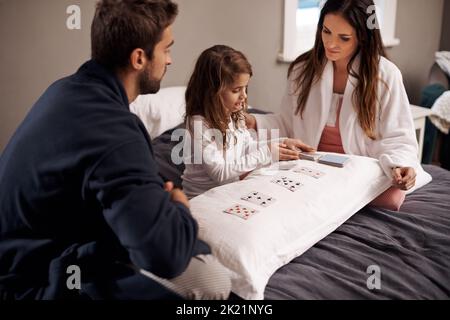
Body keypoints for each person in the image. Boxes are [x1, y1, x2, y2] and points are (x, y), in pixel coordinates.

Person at [0, 0, 231, 300]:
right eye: (167, 49)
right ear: (139, 58)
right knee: (212, 280)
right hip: (32, 283)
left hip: (21, 255)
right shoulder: (116, 132)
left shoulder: (64, 90)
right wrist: (180, 209)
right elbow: (166, 256)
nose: (170, 61)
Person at [245, 0, 430, 211]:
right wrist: (252, 121)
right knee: (251, 172)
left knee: (391, 197)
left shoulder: (386, 76)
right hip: (310, 164)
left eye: (343, 38)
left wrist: (401, 167)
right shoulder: (302, 70)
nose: (331, 44)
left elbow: (399, 138)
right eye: (326, 31)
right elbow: (287, 123)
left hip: (360, 166)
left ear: (362, 37)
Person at [181, 45, 313, 199]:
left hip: (228, 190)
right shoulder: (198, 124)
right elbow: (220, 173)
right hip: (201, 197)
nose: (243, 96)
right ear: (212, 91)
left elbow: (245, 147)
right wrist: (267, 152)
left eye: (245, 88)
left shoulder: (234, 113)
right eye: (236, 90)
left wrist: (281, 142)